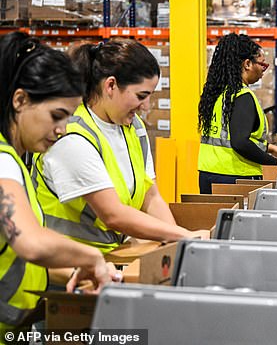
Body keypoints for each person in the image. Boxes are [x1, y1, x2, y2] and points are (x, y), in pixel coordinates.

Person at [33, 39, 209, 256]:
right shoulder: (72, 136)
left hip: (114, 256)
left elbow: (150, 195)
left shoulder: (133, 128)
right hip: (68, 266)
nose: (146, 107)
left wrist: (179, 243)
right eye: (141, 96)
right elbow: (112, 214)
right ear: (111, 86)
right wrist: (183, 236)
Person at [0, 32, 116, 337]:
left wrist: (75, 271)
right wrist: (91, 257)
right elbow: (32, 243)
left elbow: (15, 258)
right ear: (20, 100)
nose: (61, 131)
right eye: (56, 116)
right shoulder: (3, 162)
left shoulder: (16, 160)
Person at [197, 34, 277, 193]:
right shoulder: (243, 97)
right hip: (236, 177)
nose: (263, 71)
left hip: (208, 174)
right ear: (248, 64)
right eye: (262, 65)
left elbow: (230, 135)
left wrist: (271, 148)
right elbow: (240, 142)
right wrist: (273, 163)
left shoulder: (216, 95)